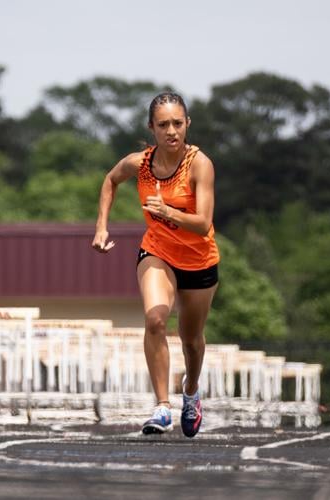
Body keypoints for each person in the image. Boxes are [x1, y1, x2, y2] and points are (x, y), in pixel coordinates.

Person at [92, 92, 219, 438]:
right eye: (163, 125)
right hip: (158, 251)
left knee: (192, 341)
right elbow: (110, 180)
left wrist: (169, 212)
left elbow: (204, 222)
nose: (172, 131)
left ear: (188, 124)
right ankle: (162, 406)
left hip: (198, 260)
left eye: (178, 123)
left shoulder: (199, 164)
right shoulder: (140, 163)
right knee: (155, 319)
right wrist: (102, 226)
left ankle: (190, 392)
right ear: (152, 128)